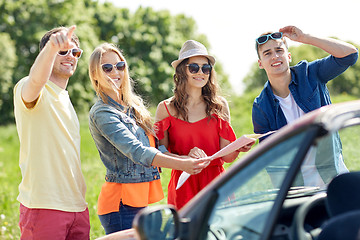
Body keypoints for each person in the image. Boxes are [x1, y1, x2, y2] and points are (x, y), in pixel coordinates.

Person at [88, 43, 210, 234]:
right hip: (120, 205)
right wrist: (181, 166)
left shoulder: (132, 106)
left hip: (140, 200)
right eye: (107, 68)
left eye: (120, 66)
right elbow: (138, 151)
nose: (115, 72)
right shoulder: (102, 112)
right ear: (95, 74)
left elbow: (154, 146)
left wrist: (183, 159)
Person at [252, 25, 358, 187]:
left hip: (333, 176)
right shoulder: (261, 107)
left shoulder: (310, 73)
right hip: (299, 188)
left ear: (289, 56)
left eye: (279, 50)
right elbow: (273, 162)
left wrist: (305, 38)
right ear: (261, 63)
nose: (275, 56)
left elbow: (350, 55)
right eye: (267, 53)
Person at [155, 40, 255, 210]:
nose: (200, 72)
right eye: (194, 67)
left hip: (216, 185)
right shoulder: (165, 109)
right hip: (183, 186)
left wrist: (237, 147)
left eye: (205, 68)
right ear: (182, 71)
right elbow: (160, 155)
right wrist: (184, 159)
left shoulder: (219, 106)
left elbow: (226, 158)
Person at [13, 26, 89, 239]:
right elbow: (36, 80)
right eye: (62, 51)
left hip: (77, 207)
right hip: (44, 206)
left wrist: (79, 206)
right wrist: (52, 46)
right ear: (46, 52)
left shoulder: (66, 99)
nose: (70, 56)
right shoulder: (31, 88)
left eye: (75, 52)